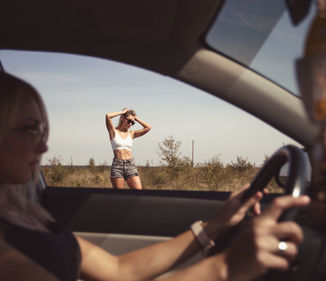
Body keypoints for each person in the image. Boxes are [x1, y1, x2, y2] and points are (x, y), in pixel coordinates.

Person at [0, 72, 310, 281]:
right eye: (30, 129)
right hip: (118, 165)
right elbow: (106, 118)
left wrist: (216, 224)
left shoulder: (27, 215)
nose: (44, 145)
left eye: (43, 130)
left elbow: (118, 269)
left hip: (130, 164)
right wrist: (225, 267)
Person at [106, 108, 151, 190]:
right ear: (122, 118)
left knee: (139, 193)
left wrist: (135, 118)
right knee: (119, 197)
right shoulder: (113, 131)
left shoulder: (131, 134)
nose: (130, 124)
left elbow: (148, 127)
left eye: (132, 123)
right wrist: (123, 112)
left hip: (130, 165)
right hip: (117, 166)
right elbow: (108, 116)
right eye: (129, 121)